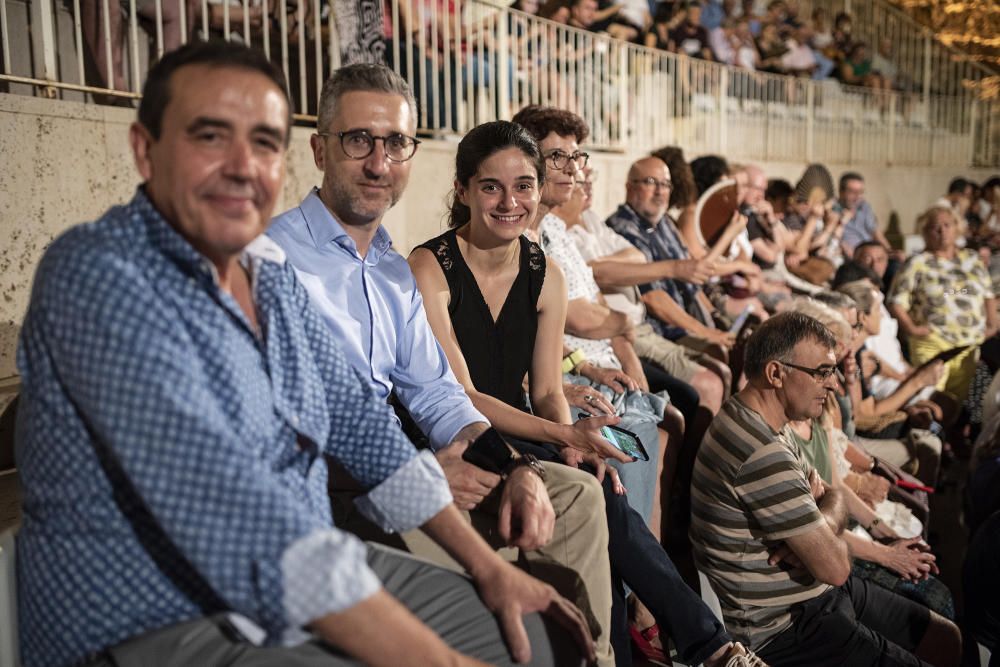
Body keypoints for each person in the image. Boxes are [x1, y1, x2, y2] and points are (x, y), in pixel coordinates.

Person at [14, 42, 594, 667]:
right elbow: (239, 517)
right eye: (210, 136)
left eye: (263, 142)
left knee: (534, 635)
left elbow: (359, 420)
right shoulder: (100, 275)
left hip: (297, 558)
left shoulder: (261, 268)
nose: (243, 166)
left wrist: (487, 568)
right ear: (144, 148)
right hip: (151, 612)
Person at [266, 63, 619, 664]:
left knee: (577, 497)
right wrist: (420, 472)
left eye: (396, 142)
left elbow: (438, 392)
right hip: (336, 493)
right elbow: (292, 424)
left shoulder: (389, 268)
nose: (379, 162)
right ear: (318, 149)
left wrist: (512, 468)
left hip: (408, 470)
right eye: (359, 141)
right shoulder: (273, 259)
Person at [410, 119, 763, 667]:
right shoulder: (430, 265)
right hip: (466, 432)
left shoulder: (545, 272)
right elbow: (465, 395)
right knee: (600, 498)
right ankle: (706, 643)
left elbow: (548, 388)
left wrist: (576, 442)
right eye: (491, 187)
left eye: (523, 185)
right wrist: (562, 433)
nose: (510, 202)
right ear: (463, 190)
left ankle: (666, 647)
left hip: (526, 424)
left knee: (606, 488)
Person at [690, 312, 962, 666]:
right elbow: (835, 567)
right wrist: (822, 520)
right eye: (821, 372)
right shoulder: (760, 451)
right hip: (786, 626)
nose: (833, 384)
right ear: (776, 373)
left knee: (945, 637)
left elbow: (829, 491)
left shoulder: (763, 419)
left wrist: (822, 515)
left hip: (816, 595)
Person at [889, 205, 999, 401]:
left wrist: (992, 324)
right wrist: (913, 329)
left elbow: (987, 294)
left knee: (958, 403)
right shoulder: (918, 262)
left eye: (947, 225)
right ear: (925, 233)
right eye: (935, 227)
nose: (942, 231)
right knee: (931, 399)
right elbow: (897, 302)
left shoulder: (972, 259)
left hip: (969, 342)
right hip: (933, 342)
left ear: (957, 228)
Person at [836, 172, 891, 257]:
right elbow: (834, 239)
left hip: (870, 252)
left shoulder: (864, 206)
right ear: (841, 192)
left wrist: (889, 251)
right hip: (851, 256)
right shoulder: (832, 209)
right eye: (853, 192)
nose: (857, 196)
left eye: (860, 192)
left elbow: (875, 231)